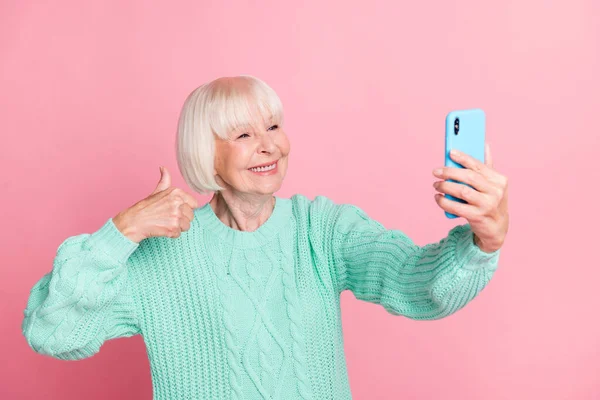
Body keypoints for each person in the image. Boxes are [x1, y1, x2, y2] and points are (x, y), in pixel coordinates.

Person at [21, 75, 509, 400]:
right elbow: (52, 331)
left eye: (273, 125)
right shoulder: (159, 257)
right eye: (243, 135)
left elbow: (416, 283)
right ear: (203, 152)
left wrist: (484, 239)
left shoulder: (322, 230)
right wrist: (121, 232)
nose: (269, 144)